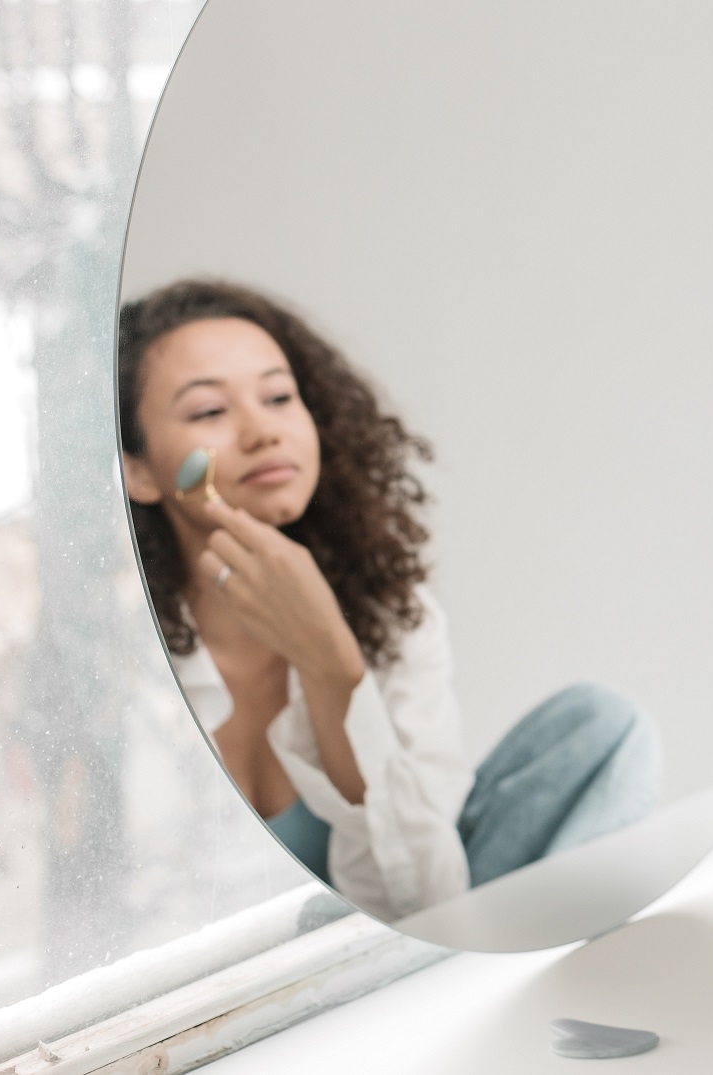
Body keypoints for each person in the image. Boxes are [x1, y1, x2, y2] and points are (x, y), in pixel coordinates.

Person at [118, 280, 660, 922]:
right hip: (249, 990)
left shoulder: (391, 618)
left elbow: (430, 902)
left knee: (604, 728)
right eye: (210, 411)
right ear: (139, 471)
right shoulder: (127, 670)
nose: (263, 430)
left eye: (279, 396)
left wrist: (331, 664)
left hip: (399, 954)